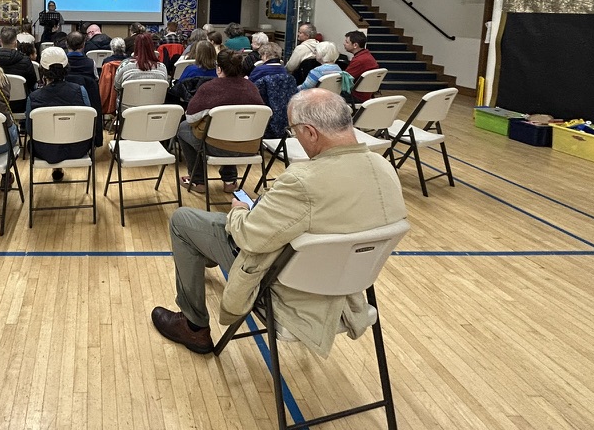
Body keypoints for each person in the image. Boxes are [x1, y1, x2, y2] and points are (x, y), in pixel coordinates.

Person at [150, 89, 407, 355]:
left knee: (184, 220)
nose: (294, 135)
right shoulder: (384, 167)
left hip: (288, 285)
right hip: (348, 283)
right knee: (215, 225)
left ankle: (193, 327)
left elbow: (248, 237)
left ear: (310, 132)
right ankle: (204, 250)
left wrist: (238, 211)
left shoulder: (302, 180)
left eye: (293, 129)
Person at [176, 49, 262, 193]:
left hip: (217, 147)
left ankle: (198, 181)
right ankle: (229, 181)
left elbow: (191, 118)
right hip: (250, 147)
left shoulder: (210, 88)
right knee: (233, 131)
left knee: (183, 128)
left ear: (219, 68)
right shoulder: (252, 87)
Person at [26, 47, 92, 181]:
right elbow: (89, 122)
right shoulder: (81, 91)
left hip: (45, 150)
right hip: (78, 148)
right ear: (66, 68)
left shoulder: (33, 98)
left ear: (42, 70)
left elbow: (29, 129)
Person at [0, 26, 37, 112]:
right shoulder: (25, 60)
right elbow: (32, 82)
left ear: (0, 41)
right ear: (15, 43)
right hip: (21, 105)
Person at [343, 30, 380, 103]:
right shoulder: (367, 56)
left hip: (356, 96)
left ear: (355, 45)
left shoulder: (359, 60)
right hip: (365, 95)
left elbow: (344, 80)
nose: (344, 44)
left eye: (347, 42)